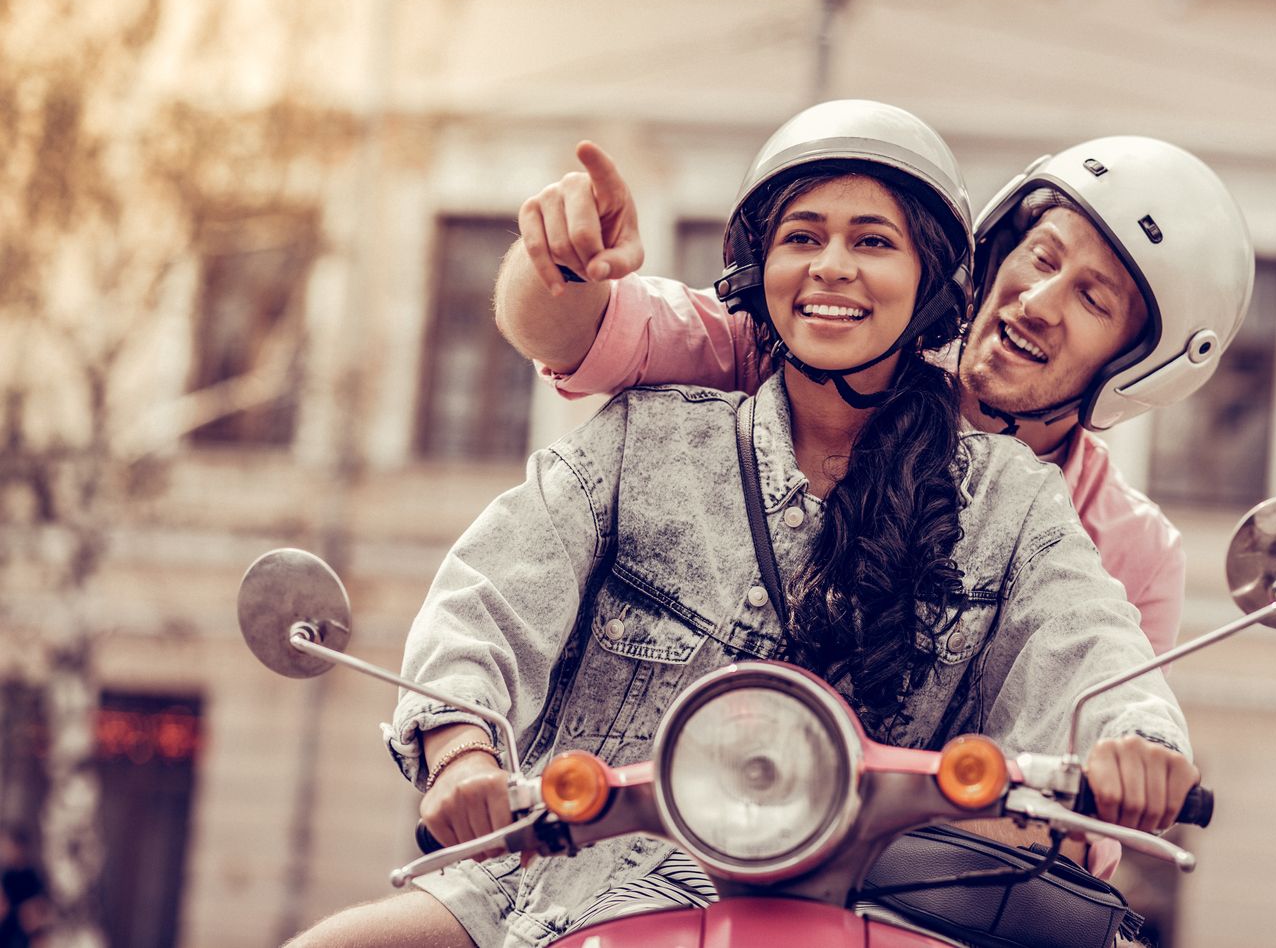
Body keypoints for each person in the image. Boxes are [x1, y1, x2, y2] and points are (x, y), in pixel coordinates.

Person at [288, 101, 1199, 948]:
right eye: (802, 237)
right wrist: (459, 750)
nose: (832, 266)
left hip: (859, 900)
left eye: (873, 241)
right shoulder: (652, 431)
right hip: (552, 879)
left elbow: (1088, 642)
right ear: (755, 272)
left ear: (929, 286)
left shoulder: (1014, 500)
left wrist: (1136, 744)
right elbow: (494, 589)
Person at [496, 131, 1256, 669]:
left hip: (915, 876)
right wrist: (564, 265)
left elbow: (1087, 796)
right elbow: (575, 333)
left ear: (1141, 361)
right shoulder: (816, 350)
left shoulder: (1126, 551)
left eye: (1092, 298)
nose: (1038, 301)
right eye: (1043, 257)